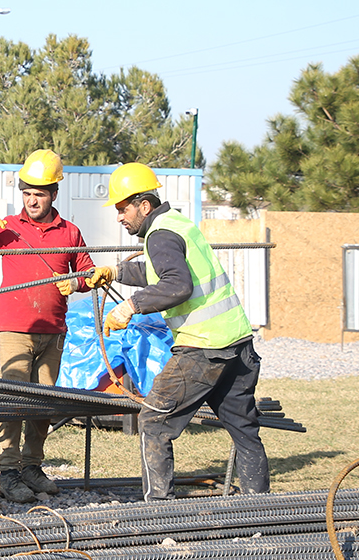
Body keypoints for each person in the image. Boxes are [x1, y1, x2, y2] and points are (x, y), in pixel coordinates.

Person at [103, 162, 269, 501]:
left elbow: (176, 284)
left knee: (153, 421)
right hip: (237, 344)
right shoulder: (176, 224)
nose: (120, 217)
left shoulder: (160, 234)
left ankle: (159, 511)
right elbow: (160, 270)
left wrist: (129, 307)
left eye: (123, 209)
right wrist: (115, 271)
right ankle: (259, 507)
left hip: (203, 348)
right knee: (244, 430)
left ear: (143, 206)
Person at [0, 149, 111, 504]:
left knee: (45, 401)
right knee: (13, 399)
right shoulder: (9, 229)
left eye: (39, 194)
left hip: (54, 331)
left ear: (54, 194)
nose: (31, 201)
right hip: (15, 329)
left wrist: (81, 282)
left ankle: (32, 466)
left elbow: (87, 273)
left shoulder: (70, 232)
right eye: (27, 194)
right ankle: (8, 471)